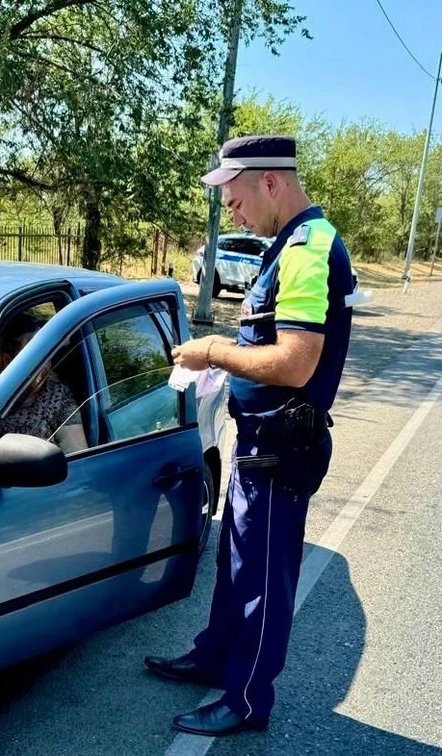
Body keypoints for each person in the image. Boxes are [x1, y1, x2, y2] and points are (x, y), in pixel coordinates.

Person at [144, 135, 354, 736]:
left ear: (270, 183)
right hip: (259, 442)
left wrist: (213, 349)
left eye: (235, 200)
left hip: (281, 449)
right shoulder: (284, 244)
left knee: (263, 576)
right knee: (237, 562)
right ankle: (215, 656)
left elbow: (295, 362)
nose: (232, 214)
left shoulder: (310, 248)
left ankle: (246, 701)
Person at [0, 314, 89, 454]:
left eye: (47, 355)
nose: (45, 365)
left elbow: (78, 454)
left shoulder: (58, 396)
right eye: (35, 358)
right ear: (8, 360)